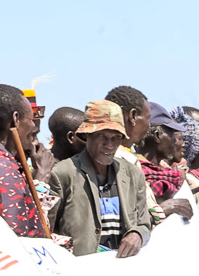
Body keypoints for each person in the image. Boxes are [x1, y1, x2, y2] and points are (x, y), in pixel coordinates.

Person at [45, 100, 150, 257]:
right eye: (102, 136)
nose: (109, 144)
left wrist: (138, 234)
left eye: (116, 137)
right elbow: (47, 231)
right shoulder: (63, 174)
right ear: (88, 135)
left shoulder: (133, 174)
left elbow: (144, 223)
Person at [0, 83, 48, 237]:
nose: (32, 126)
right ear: (15, 119)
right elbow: (15, 236)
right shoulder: (4, 169)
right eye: (31, 119)